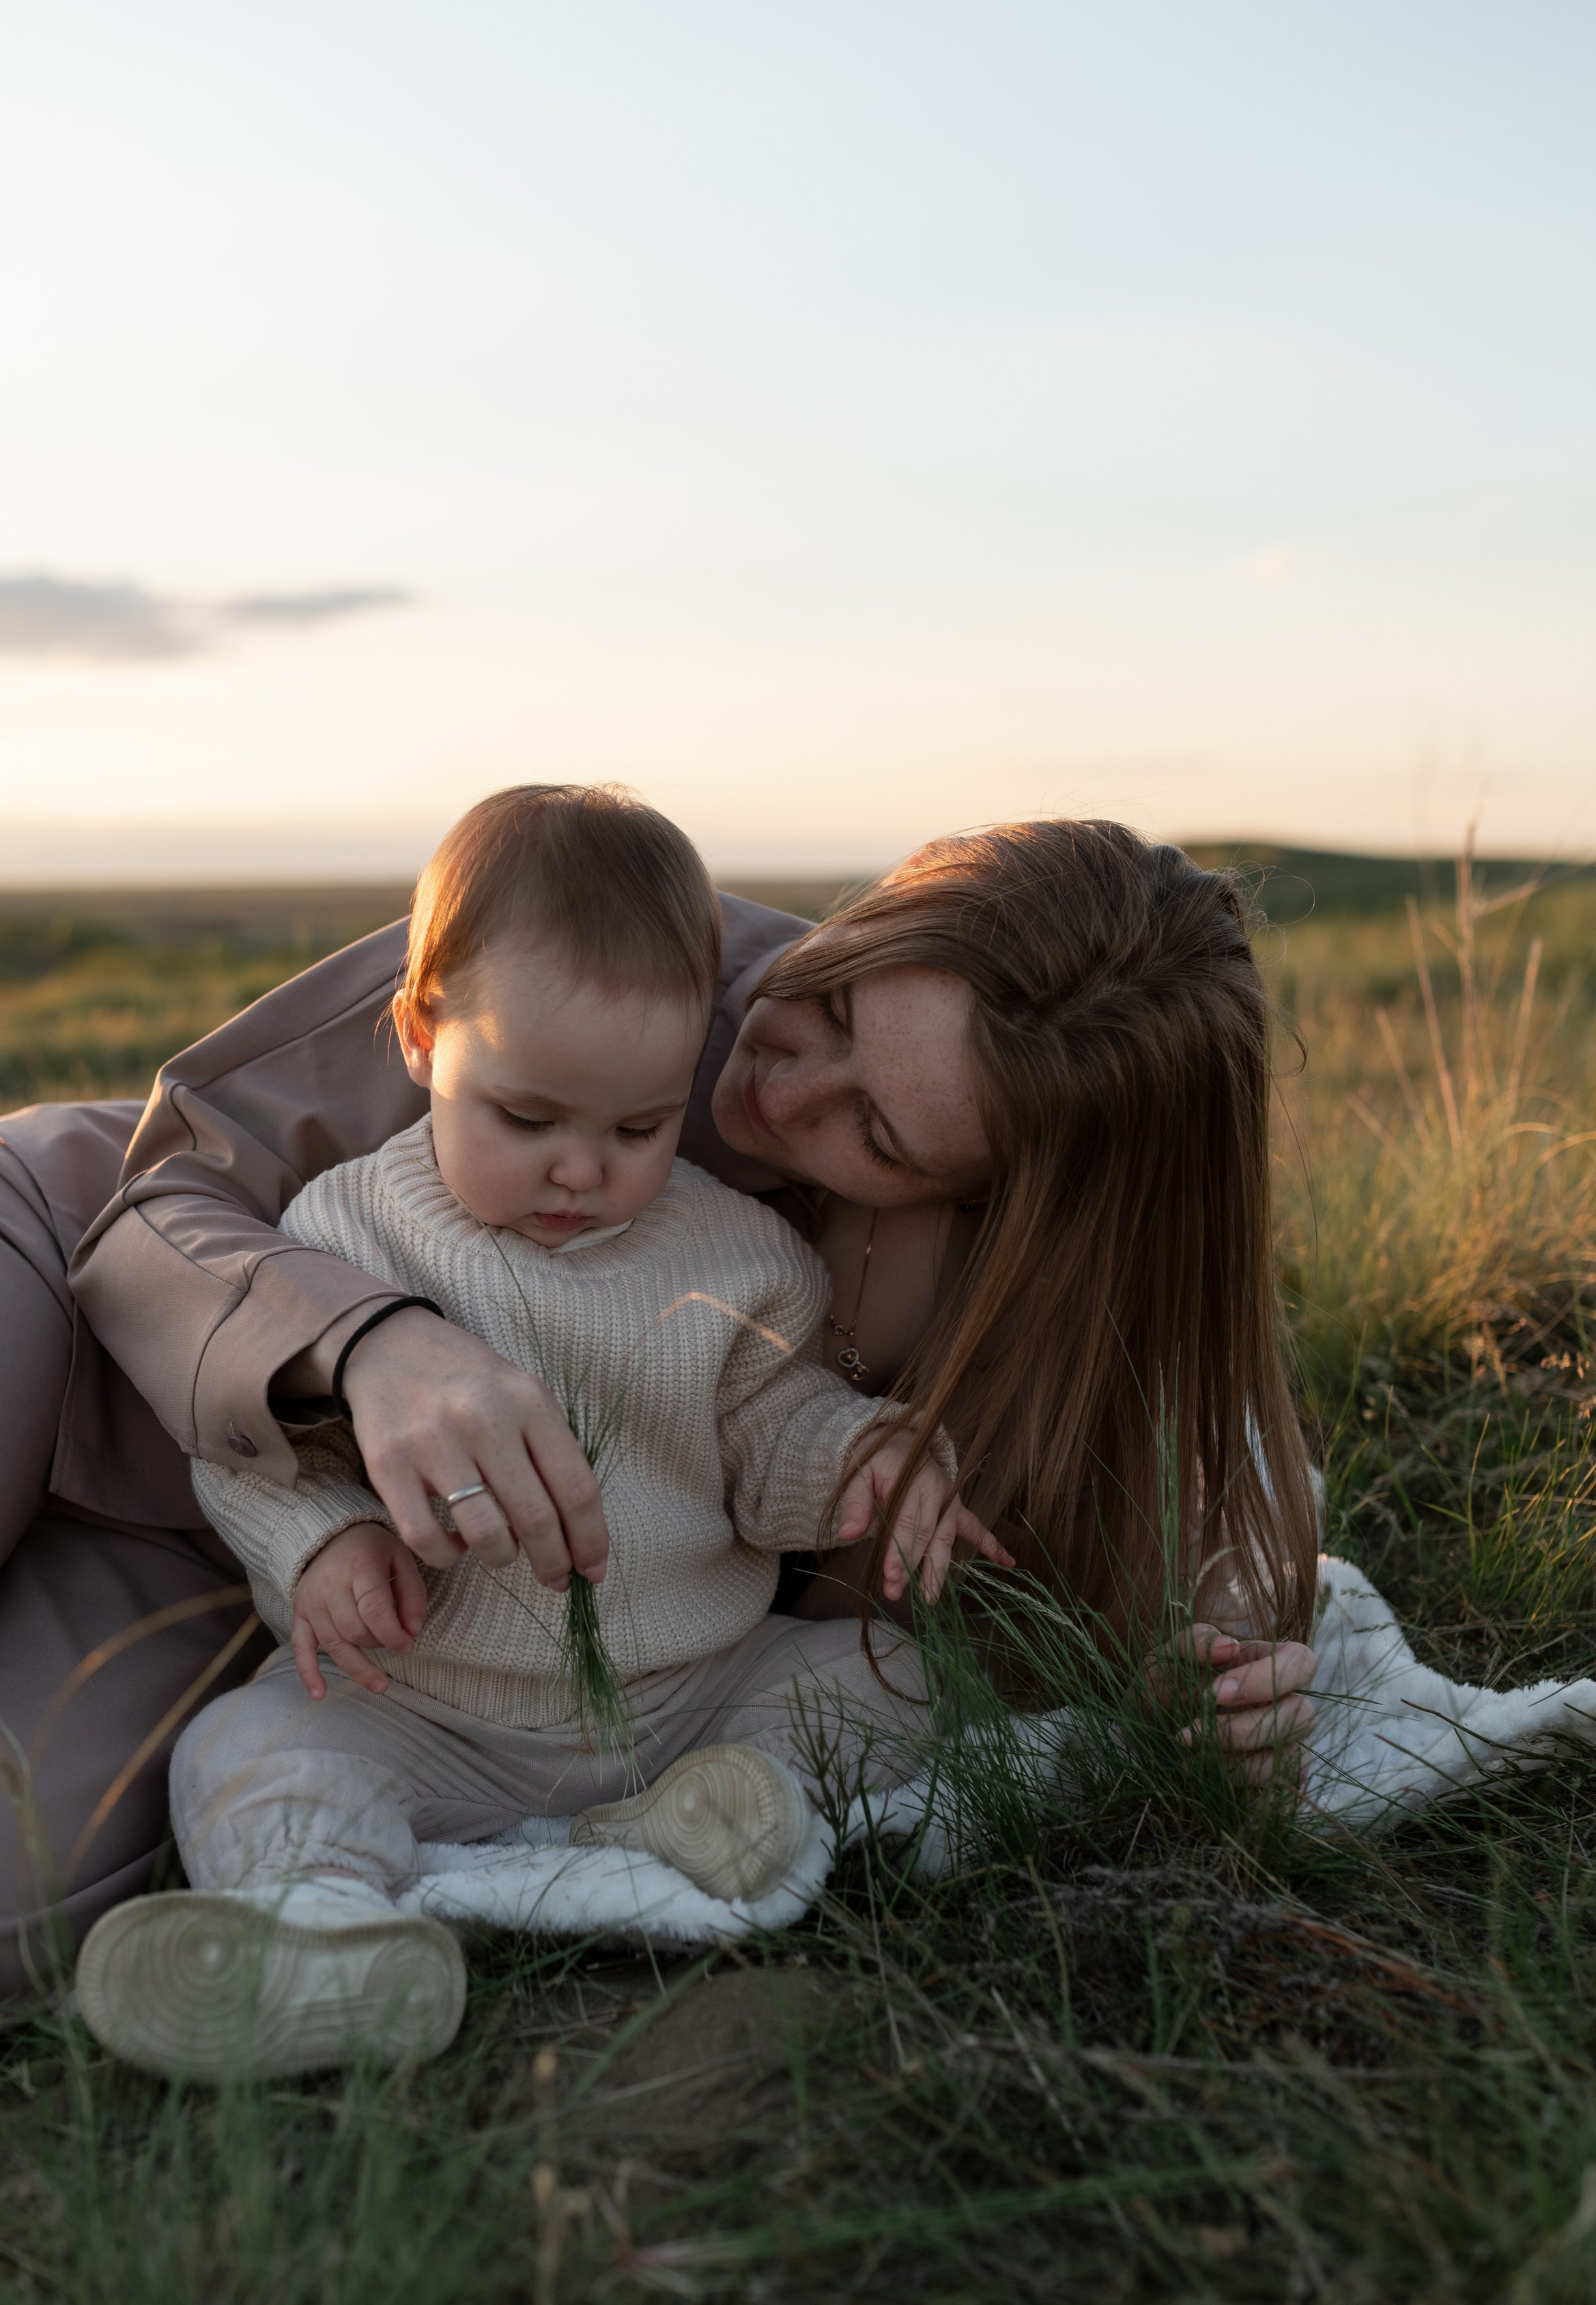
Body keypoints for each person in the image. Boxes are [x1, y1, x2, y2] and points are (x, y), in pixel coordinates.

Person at [0, 804, 1315, 2066]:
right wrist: (375, 1341)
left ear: (1008, 1198)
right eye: (842, 1004)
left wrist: (1218, 1674)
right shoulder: (602, 931)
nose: (773, 1080)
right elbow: (156, 1195)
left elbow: (1181, 1483)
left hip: (280, 1591)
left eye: (874, 1136)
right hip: (39, 1298)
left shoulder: (991, 1291)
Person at [76, 787, 1003, 2080]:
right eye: (528, 1120)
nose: (583, 1170)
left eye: (639, 1126)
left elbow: (768, 1432)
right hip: (432, 1711)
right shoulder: (347, 1237)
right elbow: (256, 1453)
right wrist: (327, 1546)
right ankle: (317, 1927)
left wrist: (861, 1459)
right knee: (254, 1747)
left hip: (693, 1693)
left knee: (881, 1678)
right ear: (419, 1036)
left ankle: (725, 1812)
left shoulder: (742, 1255)